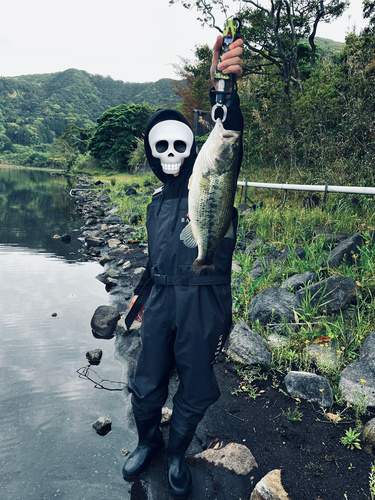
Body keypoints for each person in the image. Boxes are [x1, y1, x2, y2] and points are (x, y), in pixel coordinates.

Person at [122, 35, 244, 499]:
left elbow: (227, 137)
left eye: (179, 145)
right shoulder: (154, 204)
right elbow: (155, 260)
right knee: (147, 380)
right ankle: (147, 440)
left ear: (192, 148)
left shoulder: (207, 178)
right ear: (154, 156)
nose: (171, 155)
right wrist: (138, 293)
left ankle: (175, 452)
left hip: (204, 300)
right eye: (162, 149)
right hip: (159, 301)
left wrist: (225, 90)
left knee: (196, 384)